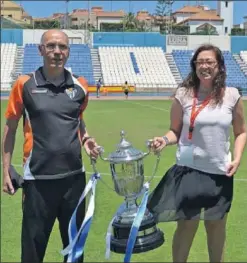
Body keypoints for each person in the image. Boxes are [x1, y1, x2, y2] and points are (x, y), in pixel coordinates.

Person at [2, 29, 99, 263]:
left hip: (74, 181)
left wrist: (86, 140)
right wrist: (5, 170)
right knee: (33, 251)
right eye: (51, 46)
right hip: (37, 182)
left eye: (62, 47)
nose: (57, 52)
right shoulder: (24, 85)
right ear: (41, 50)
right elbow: (11, 129)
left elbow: (78, 121)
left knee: (75, 250)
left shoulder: (80, 86)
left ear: (68, 51)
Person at [147, 44, 247, 263]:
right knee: (186, 225)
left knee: (216, 226)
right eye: (200, 62)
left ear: (219, 66)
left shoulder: (232, 95)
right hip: (188, 170)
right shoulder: (182, 95)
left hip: (220, 171)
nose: (204, 66)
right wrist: (163, 140)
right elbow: (175, 131)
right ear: (194, 66)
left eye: (209, 61)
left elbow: (241, 132)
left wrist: (237, 159)